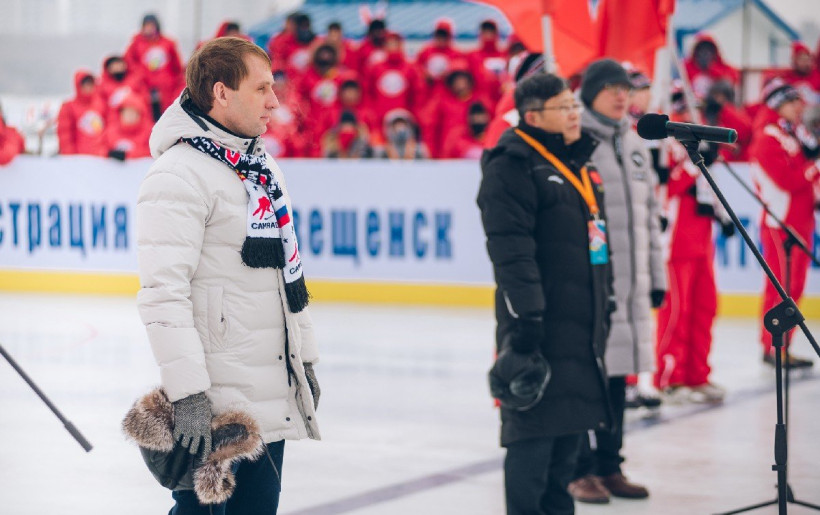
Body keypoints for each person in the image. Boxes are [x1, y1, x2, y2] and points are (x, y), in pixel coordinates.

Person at [136, 37, 321, 514]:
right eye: (261, 88)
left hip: (268, 398)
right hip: (214, 410)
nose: (274, 101)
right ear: (222, 93)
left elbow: (287, 276)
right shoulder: (177, 176)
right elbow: (163, 295)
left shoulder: (261, 169)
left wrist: (304, 360)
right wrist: (188, 395)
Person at [478, 72, 613, 515]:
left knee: (565, 453)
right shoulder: (512, 164)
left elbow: (597, 246)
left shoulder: (577, 163)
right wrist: (529, 319)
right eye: (564, 106)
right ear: (533, 116)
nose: (575, 113)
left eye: (575, 104)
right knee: (532, 441)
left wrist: (605, 301)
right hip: (536, 328)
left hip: (580, 329)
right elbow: (511, 251)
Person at [568, 59, 666, 504]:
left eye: (625, 88)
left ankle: (610, 465)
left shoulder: (635, 142)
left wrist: (656, 277)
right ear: (590, 93)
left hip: (631, 286)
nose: (621, 95)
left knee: (617, 378)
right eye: (610, 88)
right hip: (594, 284)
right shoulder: (576, 139)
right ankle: (579, 468)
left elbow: (648, 218)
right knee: (585, 378)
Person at [654, 109, 733, 403]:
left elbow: (707, 186)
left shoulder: (698, 143)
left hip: (702, 242)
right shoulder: (664, 145)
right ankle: (670, 378)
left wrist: (722, 215)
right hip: (676, 244)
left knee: (705, 308)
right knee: (677, 311)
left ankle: (697, 374)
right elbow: (663, 190)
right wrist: (690, 164)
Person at [750, 78, 819, 368]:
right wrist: (815, 165)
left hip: (801, 221)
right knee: (780, 289)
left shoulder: (791, 132)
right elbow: (787, 180)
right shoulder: (767, 137)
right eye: (792, 102)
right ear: (777, 104)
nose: (798, 107)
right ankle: (772, 347)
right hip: (781, 223)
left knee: (795, 287)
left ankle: (783, 345)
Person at [419, 65, 489, 158]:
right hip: (448, 152)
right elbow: (430, 127)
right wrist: (431, 151)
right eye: (456, 80)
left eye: (462, 79)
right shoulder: (441, 102)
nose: (460, 83)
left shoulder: (480, 101)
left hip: (474, 148)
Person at [124, 14, 185, 118]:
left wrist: (172, 80)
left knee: (165, 112)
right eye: (146, 26)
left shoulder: (168, 43)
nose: (149, 29)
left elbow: (177, 65)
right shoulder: (137, 43)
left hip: (165, 86)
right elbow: (128, 61)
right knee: (147, 113)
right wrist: (139, 73)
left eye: (151, 26)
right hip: (144, 85)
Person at [364, 33, 423, 130]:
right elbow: (368, 92)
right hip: (379, 120)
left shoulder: (410, 68)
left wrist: (413, 115)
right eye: (389, 43)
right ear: (385, 45)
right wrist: (372, 114)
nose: (393, 46)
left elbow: (417, 94)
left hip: (403, 120)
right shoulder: (376, 68)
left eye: (395, 43)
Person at [57, 70, 107, 156]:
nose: (88, 87)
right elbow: (65, 135)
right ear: (78, 86)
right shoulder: (69, 107)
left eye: (90, 84)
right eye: (84, 84)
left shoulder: (101, 104)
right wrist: (70, 156)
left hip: (100, 156)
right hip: (80, 157)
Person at [415, 19, 465, 98]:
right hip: (429, 94)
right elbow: (416, 69)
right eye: (439, 35)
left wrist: (449, 75)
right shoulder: (426, 51)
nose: (441, 38)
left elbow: (461, 76)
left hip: (449, 95)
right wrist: (424, 74)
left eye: (444, 35)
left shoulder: (457, 54)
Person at [683, 33, 739, 102]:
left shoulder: (721, 67)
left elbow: (733, 78)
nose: (704, 54)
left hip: (714, 105)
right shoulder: (686, 67)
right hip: (693, 102)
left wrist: (711, 68)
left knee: (725, 84)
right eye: (701, 50)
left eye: (708, 50)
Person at [468, 19, 508, 110]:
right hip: (481, 103)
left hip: (502, 100)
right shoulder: (473, 55)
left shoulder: (504, 54)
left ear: (497, 34)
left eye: (491, 31)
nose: (488, 35)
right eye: (485, 32)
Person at [99, 55, 150, 125]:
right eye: (113, 66)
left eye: (118, 64)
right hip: (115, 124)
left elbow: (145, 97)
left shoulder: (136, 80)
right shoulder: (103, 87)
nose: (117, 68)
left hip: (139, 120)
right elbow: (103, 108)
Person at [104, 94, 152, 160]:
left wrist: (127, 155)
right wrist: (108, 153)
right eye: (127, 112)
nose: (129, 116)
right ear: (121, 114)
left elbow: (152, 151)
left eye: (132, 113)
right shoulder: (111, 131)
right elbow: (98, 148)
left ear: (139, 115)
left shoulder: (149, 132)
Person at [780, 41, 820, 106]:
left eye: (807, 59)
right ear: (794, 61)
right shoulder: (786, 78)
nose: (805, 63)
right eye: (801, 59)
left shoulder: (817, 75)